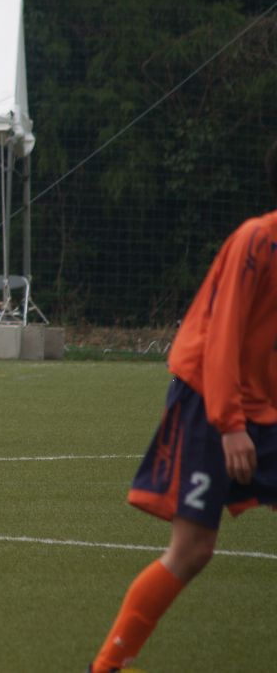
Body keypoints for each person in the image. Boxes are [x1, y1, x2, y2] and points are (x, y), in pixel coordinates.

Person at [88, 140, 277, 673]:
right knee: (193, 549)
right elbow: (223, 336)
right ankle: (106, 666)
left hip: (265, 408)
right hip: (211, 400)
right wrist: (230, 425)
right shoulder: (257, 239)